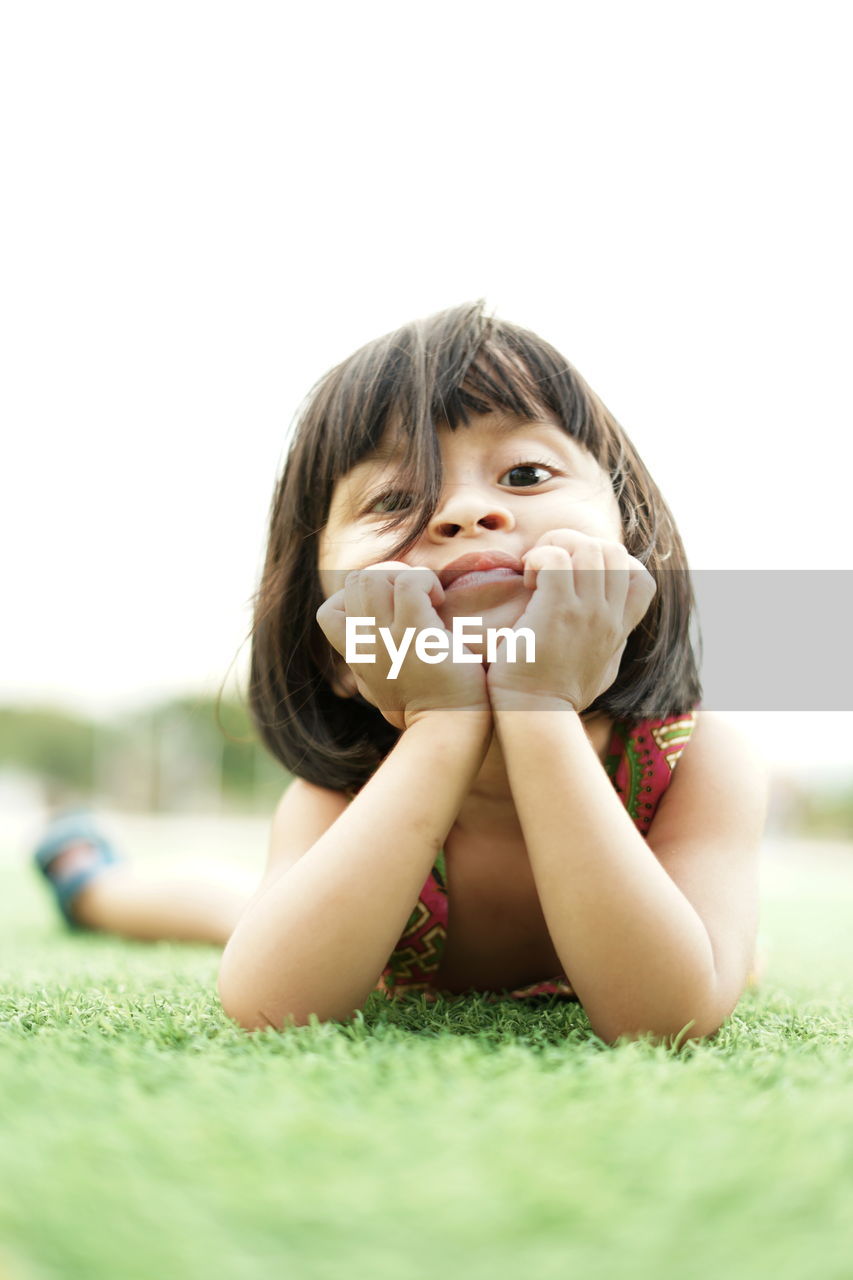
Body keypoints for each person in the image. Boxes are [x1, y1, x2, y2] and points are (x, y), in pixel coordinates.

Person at [32, 301, 769, 1044]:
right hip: (361, 936)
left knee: (714, 951)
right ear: (334, 648)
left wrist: (537, 704)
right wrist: (441, 721)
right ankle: (91, 882)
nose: (464, 511)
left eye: (523, 472)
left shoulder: (695, 761)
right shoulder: (344, 789)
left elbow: (664, 1018)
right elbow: (273, 1004)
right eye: (394, 499)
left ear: (631, 557)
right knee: (233, 912)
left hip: (651, 930)